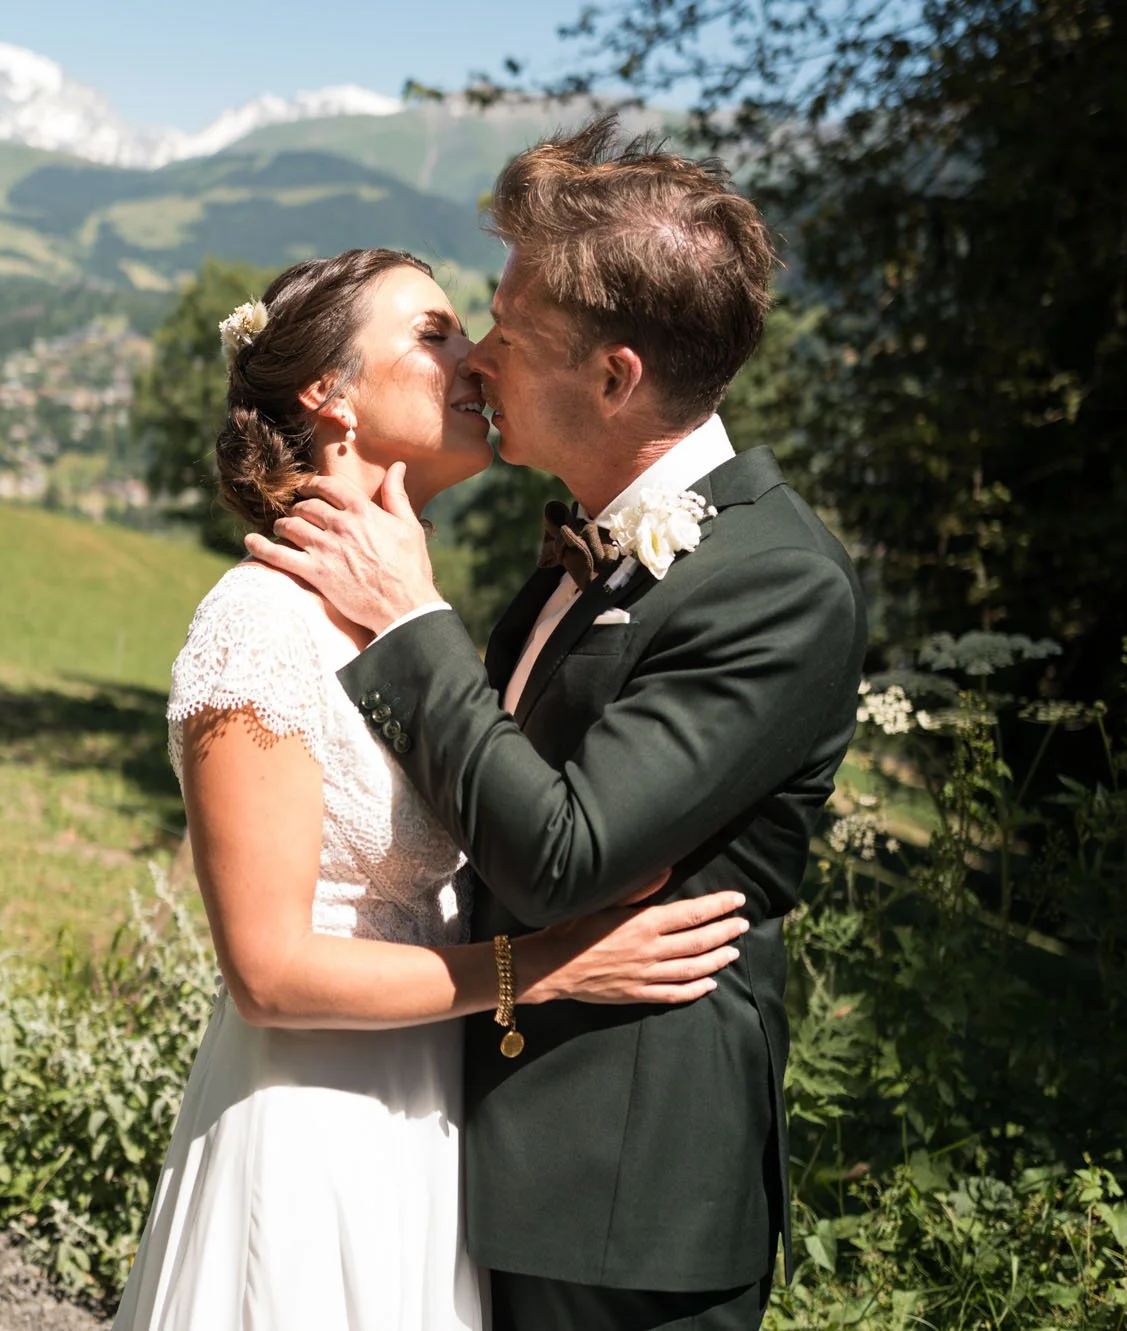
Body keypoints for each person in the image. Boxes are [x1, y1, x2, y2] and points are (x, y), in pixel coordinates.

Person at [249, 120, 869, 1331]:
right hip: (480, 1155)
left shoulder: (774, 583)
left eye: (511, 333)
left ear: (614, 375)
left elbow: (561, 857)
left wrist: (406, 620)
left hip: (621, 1203)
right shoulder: (572, 557)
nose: (475, 357)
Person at [111, 247, 751, 1331]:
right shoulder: (257, 624)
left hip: (429, 1124)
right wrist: (542, 968)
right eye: (435, 333)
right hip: (310, 1132)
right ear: (329, 393)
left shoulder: (410, 618)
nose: (478, 361)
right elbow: (265, 971)